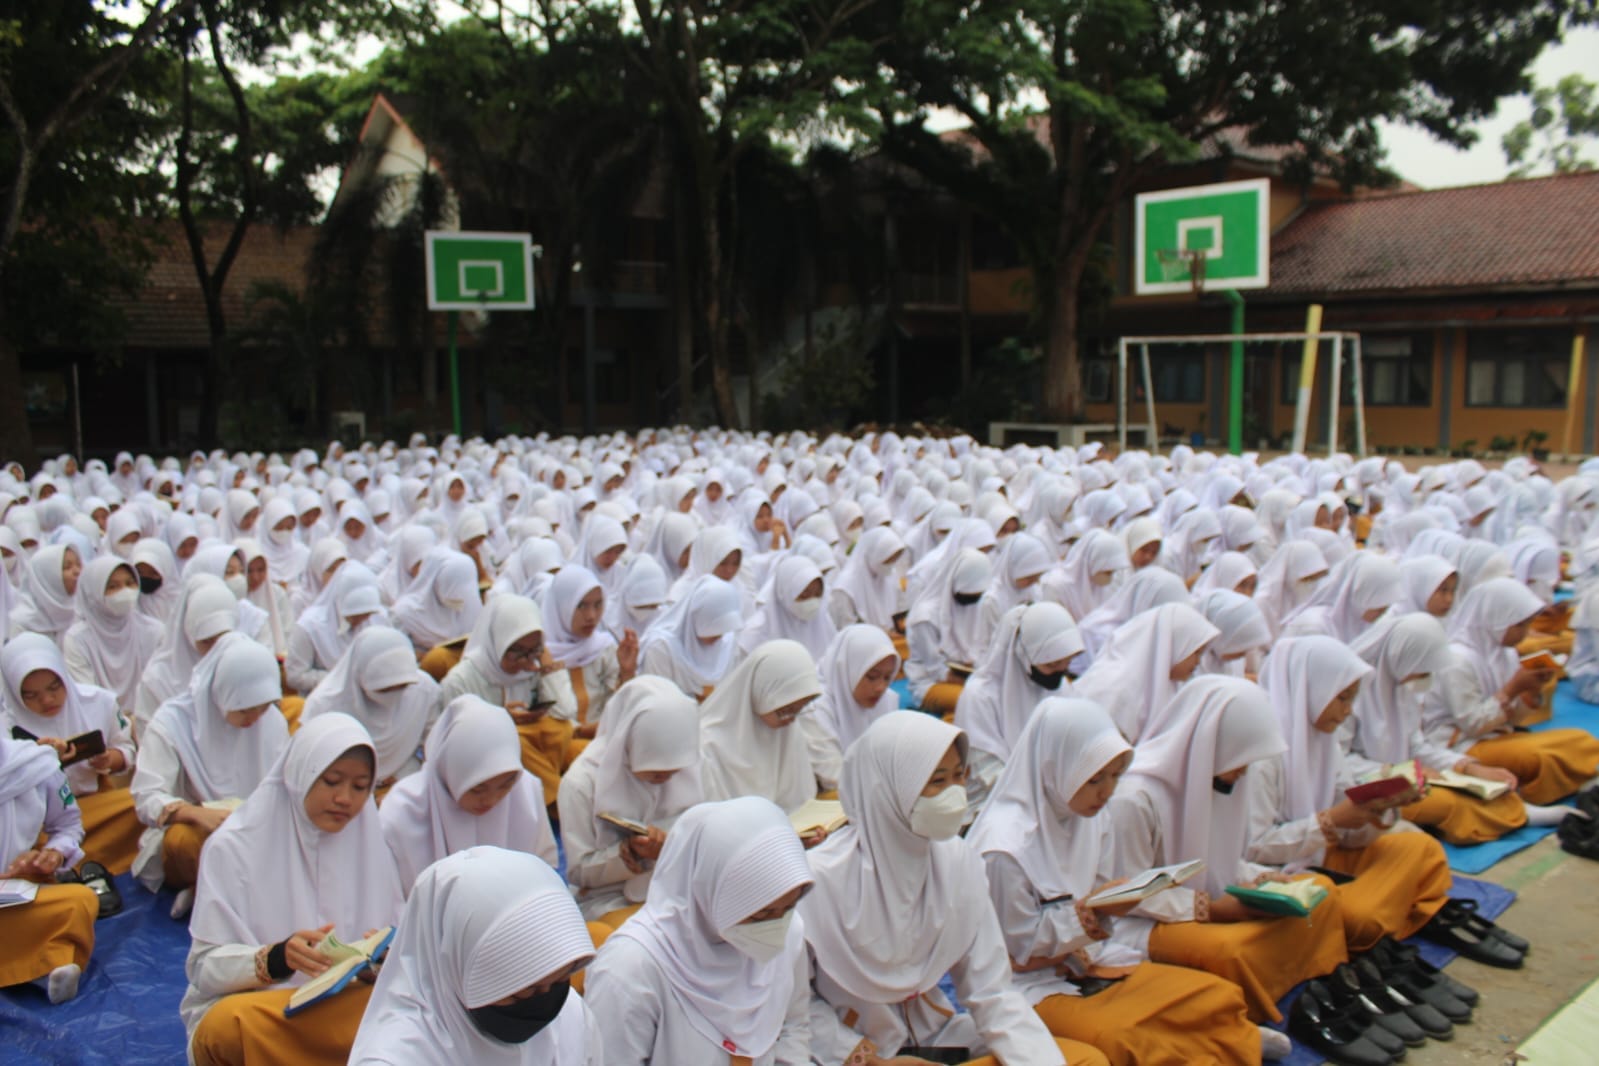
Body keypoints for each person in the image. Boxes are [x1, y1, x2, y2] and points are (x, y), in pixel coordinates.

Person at [800, 711, 1107, 1066]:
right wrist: (863, 1057)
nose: (954, 794)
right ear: (889, 787)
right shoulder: (818, 881)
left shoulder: (956, 861)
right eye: (937, 781)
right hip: (854, 1053)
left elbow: (992, 991)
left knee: (1084, 1060)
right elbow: (794, 1006)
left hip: (940, 1038)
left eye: (959, 777)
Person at [967, 698, 1261, 1065]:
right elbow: (1013, 949)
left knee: (1216, 994)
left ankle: (1226, 1042)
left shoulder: (1090, 818)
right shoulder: (1004, 849)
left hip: (1087, 958)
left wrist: (1095, 927)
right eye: (1094, 779)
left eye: (1115, 777)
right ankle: (1215, 1045)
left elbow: (1096, 893)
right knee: (1127, 1037)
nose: (1106, 792)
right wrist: (1089, 919)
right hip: (1024, 985)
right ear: (1052, 767)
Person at [1104, 676, 1349, 1022]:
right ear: (1211, 745)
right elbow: (1126, 894)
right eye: (1240, 759)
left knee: (1320, 892)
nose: (1243, 771)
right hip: (1147, 921)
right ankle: (1265, 1016)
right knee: (1232, 951)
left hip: (1213, 906)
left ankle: (1317, 994)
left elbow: (1219, 860)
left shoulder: (1218, 779)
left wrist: (1264, 879)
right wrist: (1211, 909)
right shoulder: (1135, 800)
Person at [182, 713, 404, 1066]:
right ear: (300, 774)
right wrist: (277, 957)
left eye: (361, 787)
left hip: (340, 1008)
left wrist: (377, 960)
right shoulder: (234, 848)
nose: (345, 799)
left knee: (411, 1007)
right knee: (227, 1026)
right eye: (331, 781)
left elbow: (397, 946)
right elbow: (204, 969)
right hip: (268, 1009)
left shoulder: (370, 844)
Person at [1249, 636, 1452, 952]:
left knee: (1420, 846)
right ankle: (1387, 919)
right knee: (1352, 912)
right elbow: (1252, 848)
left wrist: (1380, 806)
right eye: (1342, 699)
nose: (1347, 712)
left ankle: (1376, 920)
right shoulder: (1260, 755)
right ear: (1310, 690)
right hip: (1274, 874)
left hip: (1319, 856)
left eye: (1352, 700)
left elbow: (1350, 835)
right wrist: (1329, 821)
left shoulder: (1324, 740)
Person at [582, 797, 816, 1064]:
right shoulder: (630, 970)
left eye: (787, 908)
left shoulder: (787, 931)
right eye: (760, 914)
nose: (774, 925)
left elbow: (792, 1026)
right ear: (709, 892)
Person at [348, 846, 602, 1065]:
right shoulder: (395, 1058)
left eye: (558, 981)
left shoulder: (570, 1015)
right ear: (457, 968)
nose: (544, 1002)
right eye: (525, 991)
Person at [131, 634, 288, 913]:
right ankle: (216, 892)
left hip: (259, 828)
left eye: (262, 707)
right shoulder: (173, 723)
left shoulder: (270, 722)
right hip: (203, 829)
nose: (254, 718)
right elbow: (146, 796)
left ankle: (233, 895)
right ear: (220, 694)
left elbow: (284, 782)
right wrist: (195, 813)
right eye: (244, 709)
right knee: (183, 841)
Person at [1346, 613, 1532, 844]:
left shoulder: (1402, 690)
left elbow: (1417, 746)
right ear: (1402, 658)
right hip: (1369, 788)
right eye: (1422, 670)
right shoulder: (1349, 696)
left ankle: (1517, 812)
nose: (1426, 678)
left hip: (1406, 780)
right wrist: (1398, 772)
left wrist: (1467, 767)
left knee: (1479, 786)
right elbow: (1340, 762)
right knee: (1451, 803)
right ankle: (1516, 817)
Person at [1423, 578, 1599, 805]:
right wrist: (1512, 689)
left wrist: (1531, 691)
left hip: (1498, 735)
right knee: (1542, 757)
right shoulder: (1458, 661)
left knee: (1581, 739)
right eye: (1519, 626)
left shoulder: (1504, 653)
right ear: (1495, 620)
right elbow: (1472, 724)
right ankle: (1526, 800)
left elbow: (1515, 719)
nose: (1525, 634)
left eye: (1527, 625)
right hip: (1462, 745)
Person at [558, 676, 701, 925]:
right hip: (611, 899)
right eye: (655, 769)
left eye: (674, 770)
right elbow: (578, 871)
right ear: (628, 740)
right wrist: (630, 854)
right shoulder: (583, 783)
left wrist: (675, 845)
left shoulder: (691, 770)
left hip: (679, 888)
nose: (666, 777)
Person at [379, 695, 558, 893]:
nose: (491, 800)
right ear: (449, 771)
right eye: (477, 788)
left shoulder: (524, 791)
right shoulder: (403, 812)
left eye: (505, 786)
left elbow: (543, 872)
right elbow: (390, 902)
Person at [1, 633, 141, 875]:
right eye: (31, 695)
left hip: (95, 804)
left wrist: (108, 759)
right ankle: (80, 864)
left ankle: (75, 866)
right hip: (39, 826)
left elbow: (127, 750)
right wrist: (41, 761)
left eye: (54, 687)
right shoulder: (6, 729)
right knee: (32, 853)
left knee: (137, 807)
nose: (47, 700)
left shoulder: (99, 701)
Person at [436, 595, 574, 808]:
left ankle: (556, 797)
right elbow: (455, 741)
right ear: (497, 641)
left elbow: (566, 712)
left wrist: (547, 666)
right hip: (485, 765)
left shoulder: (531, 668)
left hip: (538, 757)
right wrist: (502, 719)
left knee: (560, 729)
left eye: (534, 650)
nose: (526, 660)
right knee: (512, 740)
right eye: (516, 651)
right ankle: (560, 803)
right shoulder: (461, 680)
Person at [955, 602, 1085, 809]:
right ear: (1024, 655)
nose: (1061, 672)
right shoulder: (979, 696)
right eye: (1052, 664)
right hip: (995, 802)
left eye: (1067, 663)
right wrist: (1041, 797)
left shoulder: (1061, 687)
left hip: (1053, 795)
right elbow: (989, 772)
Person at [0, 736, 99, 1004]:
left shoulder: (35, 764)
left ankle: (38, 967)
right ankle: (41, 965)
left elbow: (68, 825)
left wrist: (52, 854)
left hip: (12, 890)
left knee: (78, 901)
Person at [301, 625, 437, 798]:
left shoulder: (423, 690)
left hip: (403, 785)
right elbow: (311, 767)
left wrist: (405, 776)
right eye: (384, 690)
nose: (394, 695)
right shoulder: (325, 706)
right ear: (360, 677)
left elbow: (432, 746)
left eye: (402, 687)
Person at [697, 640, 823, 818]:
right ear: (760, 692)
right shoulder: (708, 745)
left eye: (797, 710)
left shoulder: (788, 731)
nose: (790, 720)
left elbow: (800, 802)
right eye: (785, 711)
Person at [1074, 602, 1219, 742]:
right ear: (1175, 646)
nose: (1198, 662)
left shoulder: (1168, 683)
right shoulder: (1116, 686)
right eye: (1196, 653)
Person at [540, 565, 639, 739]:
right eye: (581, 606)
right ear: (561, 606)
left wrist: (627, 672)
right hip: (554, 749)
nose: (591, 616)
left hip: (602, 743)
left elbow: (620, 707)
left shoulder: (603, 648)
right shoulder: (538, 653)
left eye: (598, 605)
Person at [61, 554, 164, 717]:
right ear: (94, 592)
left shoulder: (153, 630)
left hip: (149, 719)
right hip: (102, 723)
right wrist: (121, 724)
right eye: (113, 586)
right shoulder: (77, 639)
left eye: (130, 583)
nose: (124, 591)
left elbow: (160, 686)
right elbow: (87, 695)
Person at [802, 624, 900, 790]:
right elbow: (834, 778)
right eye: (872, 677)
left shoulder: (888, 700)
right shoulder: (814, 710)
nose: (880, 687)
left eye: (887, 677)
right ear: (847, 668)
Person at [903, 548, 992, 715]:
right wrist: (977, 682)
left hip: (968, 678)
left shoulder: (974, 607)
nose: (972, 600)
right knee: (975, 703)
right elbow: (936, 669)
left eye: (977, 595)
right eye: (968, 594)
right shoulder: (926, 617)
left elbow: (979, 649)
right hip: (930, 683)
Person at [637, 575, 744, 700]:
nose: (719, 636)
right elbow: (657, 701)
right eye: (714, 628)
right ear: (696, 616)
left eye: (723, 629)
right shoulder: (662, 648)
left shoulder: (727, 642)